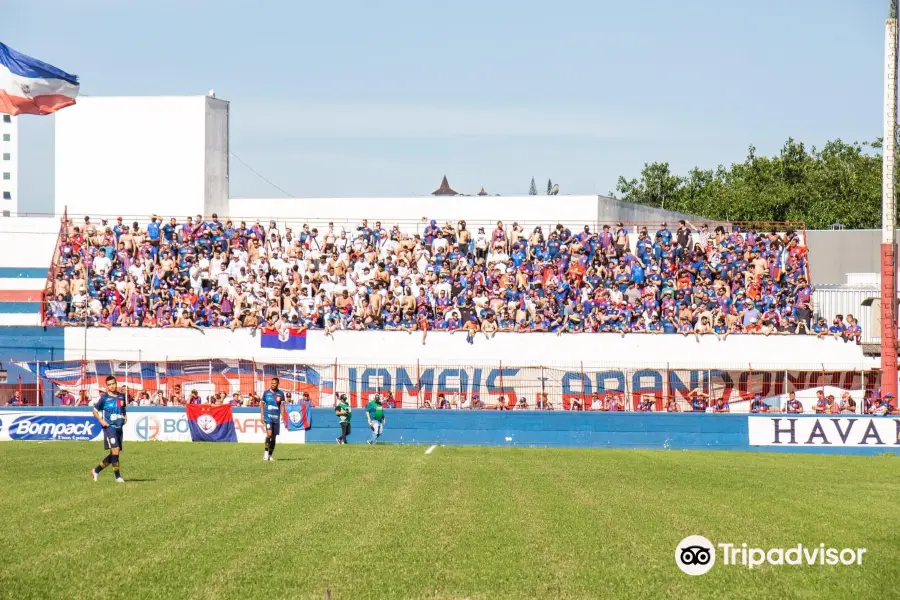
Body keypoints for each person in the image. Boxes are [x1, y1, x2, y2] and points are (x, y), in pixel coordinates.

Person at [90, 375, 127, 483]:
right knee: (115, 450)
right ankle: (118, 477)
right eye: (109, 385)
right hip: (109, 428)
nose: (112, 386)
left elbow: (123, 408)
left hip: (119, 427)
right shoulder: (104, 398)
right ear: (107, 386)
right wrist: (101, 421)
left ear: (116, 383)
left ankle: (95, 471)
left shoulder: (121, 396)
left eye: (113, 384)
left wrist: (125, 415)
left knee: (115, 454)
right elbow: (94, 411)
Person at [260, 377, 285, 461]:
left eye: (274, 383)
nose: (273, 385)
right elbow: (262, 405)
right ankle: (266, 453)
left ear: (278, 384)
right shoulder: (266, 393)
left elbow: (282, 406)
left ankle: (270, 456)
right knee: (269, 434)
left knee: (274, 437)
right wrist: (262, 416)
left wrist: (283, 415)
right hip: (268, 417)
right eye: (272, 383)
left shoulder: (281, 393)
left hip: (276, 417)